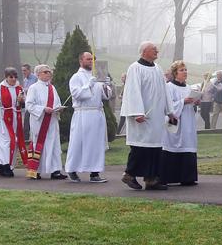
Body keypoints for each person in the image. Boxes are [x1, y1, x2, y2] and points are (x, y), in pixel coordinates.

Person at [120, 42, 172, 191]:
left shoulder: (157, 68)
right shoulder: (135, 68)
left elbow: (164, 91)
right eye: (153, 49)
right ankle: (129, 174)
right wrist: (137, 112)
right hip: (141, 116)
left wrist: (170, 110)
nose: (157, 50)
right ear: (143, 52)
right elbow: (132, 92)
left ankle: (151, 178)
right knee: (140, 147)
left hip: (155, 117)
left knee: (155, 148)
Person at [66, 52, 112, 184]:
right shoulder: (76, 77)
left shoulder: (95, 77)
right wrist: (89, 85)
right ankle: (72, 169)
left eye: (92, 59)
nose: (91, 61)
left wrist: (105, 86)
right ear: (81, 61)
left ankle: (95, 172)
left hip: (96, 114)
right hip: (83, 114)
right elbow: (77, 94)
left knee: (96, 144)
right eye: (88, 59)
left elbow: (105, 97)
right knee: (78, 142)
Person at [161, 59, 199, 186]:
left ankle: (187, 177)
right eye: (182, 70)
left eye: (186, 69)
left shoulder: (189, 87)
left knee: (188, 143)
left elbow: (191, 104)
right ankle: (170, 177)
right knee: (172, 144)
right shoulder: (169, 87)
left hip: (188, 121)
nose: (185, 72)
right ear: (175, 73)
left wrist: (195, 102)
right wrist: (183, 101)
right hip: (174, 121)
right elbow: (167, 105)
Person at [24, 64, 65, 179]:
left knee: (54, 145)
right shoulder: (34, 88)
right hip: (40, 121)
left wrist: (58, 109)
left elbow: (57, 102)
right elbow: (29, 105)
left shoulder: (52, 88)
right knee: (39, 145)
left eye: (49, 72)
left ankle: (55, 170)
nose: (48, 74)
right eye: (45, 72)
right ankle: (35, 171)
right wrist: (43, 109)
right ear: (38, 74)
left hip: (51, 121)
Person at [0, 67, 27, 178]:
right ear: (6, 77)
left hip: (15, 117)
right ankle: (5, 165)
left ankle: (8, 165)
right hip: (2, 118)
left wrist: (22, 102)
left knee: (16, 141)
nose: (13, 79)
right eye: (10, 77)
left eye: (15, 77)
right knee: (7, 141)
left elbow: (24, 105)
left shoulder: (19, 88)